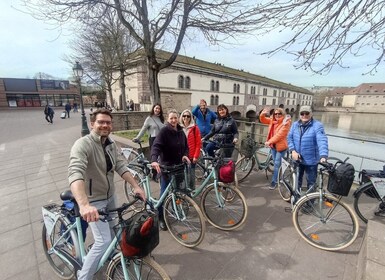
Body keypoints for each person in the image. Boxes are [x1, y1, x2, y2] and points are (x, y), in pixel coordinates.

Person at [68, 108, 146, 280]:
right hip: (93, 201)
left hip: (110, 197)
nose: (105, 125)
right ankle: (83, 276)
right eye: (101, 122)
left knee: (114, 231)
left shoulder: (110, 144)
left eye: (108, 122)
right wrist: (84, 205)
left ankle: (110, 258)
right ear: (92, 124)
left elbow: (120, 166)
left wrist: (136, 186)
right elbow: (75, 174)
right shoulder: (83, 145)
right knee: (102, 241)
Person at [150, 109, 190, 231]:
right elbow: (156, 146)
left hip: (178, 167)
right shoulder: (164, 131)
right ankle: (161, 217)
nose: (173, 120)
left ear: (178, 118)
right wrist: (154, 159)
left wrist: (185, 154)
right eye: (171, 118)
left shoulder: (180, 131)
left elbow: (186, 147)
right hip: (166, 168)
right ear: (168, 119)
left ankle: (175, 208)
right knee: (164, 193)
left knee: (177, 190)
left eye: (175, 118)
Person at [287, 105, 329, 190]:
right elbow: (289, 138)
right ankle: (296, 199)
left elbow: (322, 140)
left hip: (311, 161)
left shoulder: (317, 125)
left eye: (307, 113)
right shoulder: (295, 125)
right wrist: (293, 151)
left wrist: (323, 155)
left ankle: (310, 202)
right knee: (296, 181)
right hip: (297, 158)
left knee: (311, 182)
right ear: (299, 115)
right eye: (302, 113)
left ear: (311, 114)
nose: (304, 115)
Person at [259, 107, 291, 190]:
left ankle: (274, 182)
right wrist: (262, 114)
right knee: (276, 162)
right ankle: (281, 176)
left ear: (282, 114)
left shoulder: (286, 122)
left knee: (276, 164)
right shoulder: (272, 121)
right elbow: (263, 120)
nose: (277, 115)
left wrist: (269, 141)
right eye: (275, 114)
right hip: (273, 146)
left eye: (279, 114)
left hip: (281, 147)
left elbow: (280, 135)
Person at [133, 103, 165, 182]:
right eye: (156, 108)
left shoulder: (160, 118)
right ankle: (154, 175)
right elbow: (143, 129)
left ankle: (161, 174)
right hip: (153, 139)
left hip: (162, 139)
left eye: (159, 108)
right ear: (153, 108)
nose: (157, 110)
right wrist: (137, 138)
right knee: (155, 158)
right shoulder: (149, 118)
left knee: (162, 157)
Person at [179, 109, 201, 190]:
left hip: (191, 156)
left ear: (191, 117)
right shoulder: (178, 128)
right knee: (182, 175)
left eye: (188, 116)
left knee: (191, 175)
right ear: (182, 117)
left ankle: (191, 192)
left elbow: (198, 144)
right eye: (184, 116)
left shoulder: (195, 128)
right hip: (181, 156)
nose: (186, 117)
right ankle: (183, 191)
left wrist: (196, 156)